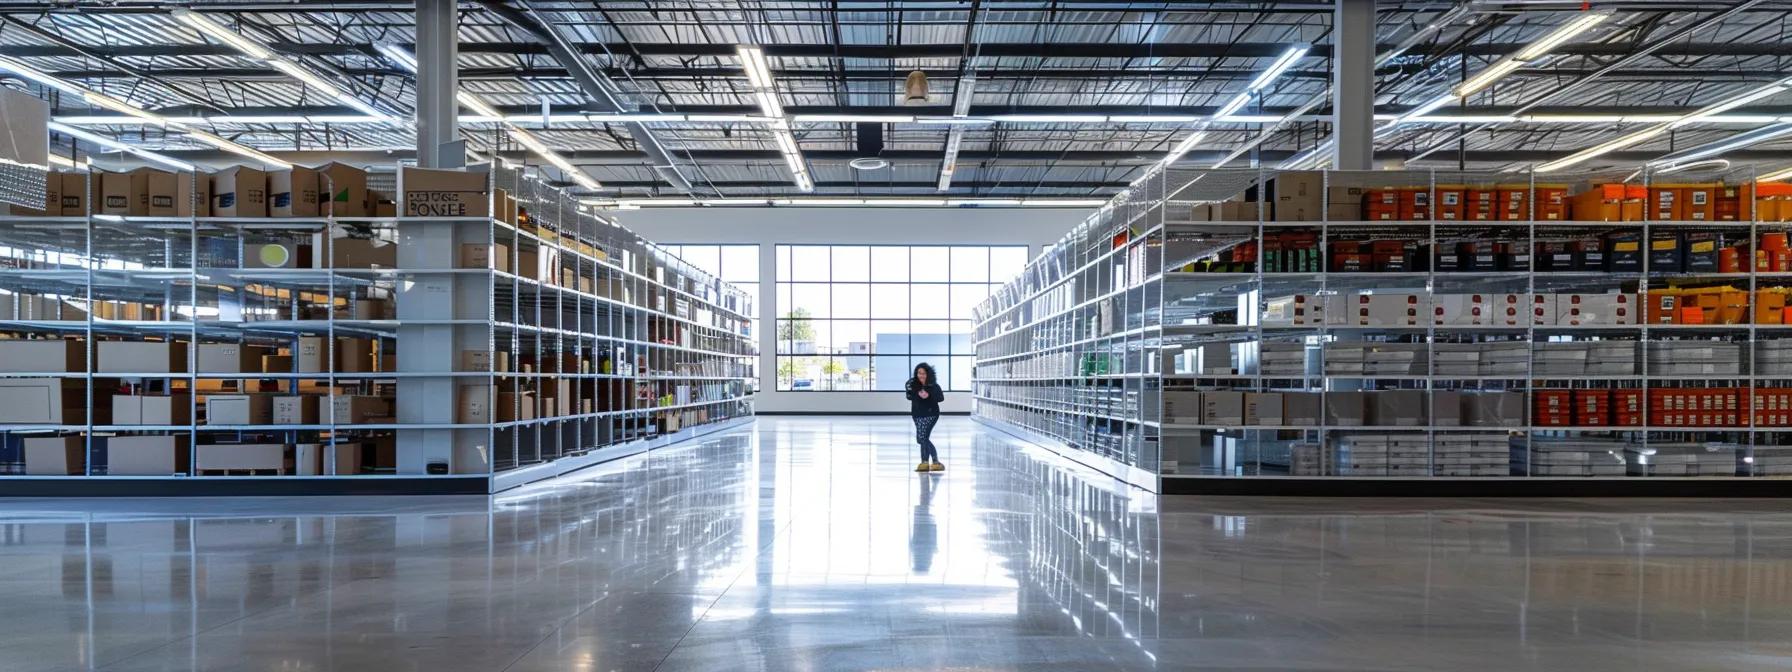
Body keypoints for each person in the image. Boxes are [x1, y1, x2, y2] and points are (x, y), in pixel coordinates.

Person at [905, 363, 945, 472]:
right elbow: (909, 397)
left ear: (928, 374)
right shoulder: (913, 384)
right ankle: (930, 462)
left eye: (924, 373)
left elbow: (941, 398)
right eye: (919, 373)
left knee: (922, 438)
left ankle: (928, 462)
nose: (921, 376)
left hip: (931, 414)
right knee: (923, 438)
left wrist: (929, 396)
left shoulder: (933, 386)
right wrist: (912, 389)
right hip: (917, 414)